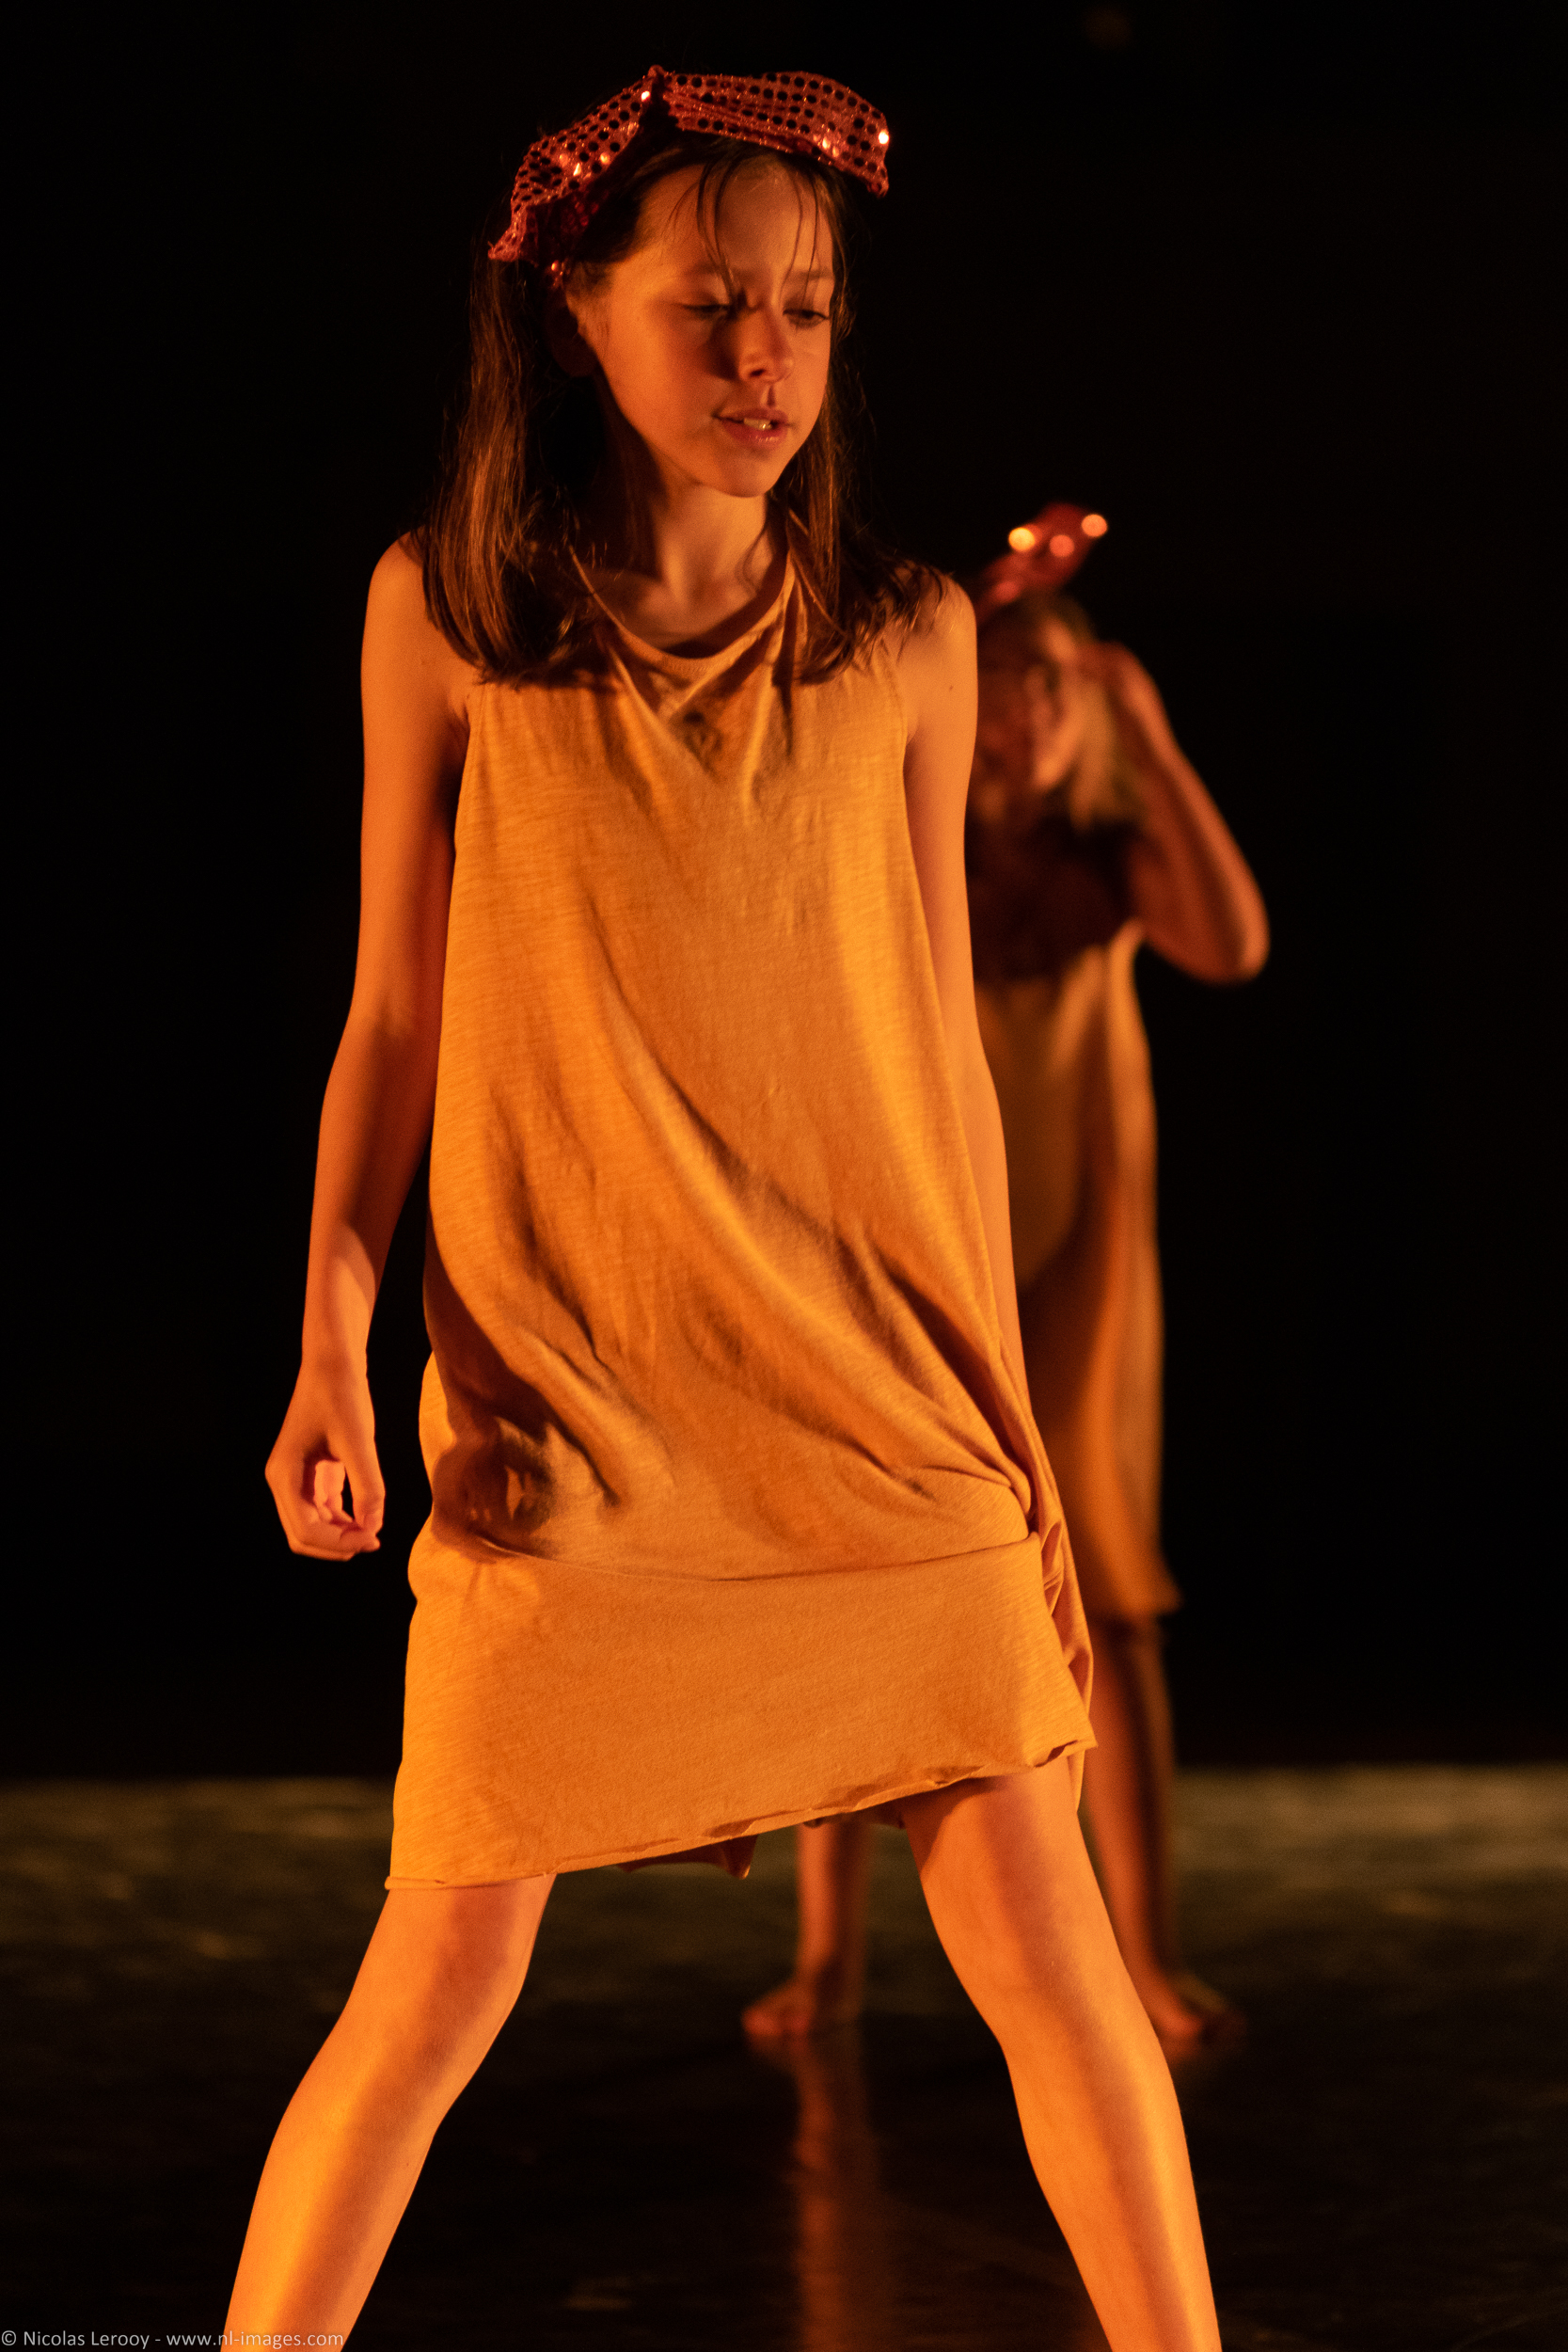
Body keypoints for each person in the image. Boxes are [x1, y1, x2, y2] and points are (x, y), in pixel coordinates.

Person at [230, 69, 1222, 2349]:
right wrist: (328, 1340)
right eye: (711, 307)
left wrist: (1022, 1455)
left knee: (1052, 1960)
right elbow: (391, 1019)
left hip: (885, 1433)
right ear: (577, 309)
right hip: (576, 1439)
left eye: (807, 311)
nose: (766, 359)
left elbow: (941, 1071)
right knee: (435, 1977)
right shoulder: (450, 617)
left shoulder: (905, 634)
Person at [744, 508, 1270, 2051]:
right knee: (874, 1589)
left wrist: (1149, 735)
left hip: (1077, 1265)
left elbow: (1235, 943)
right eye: (1012, 684)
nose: (1032, 715)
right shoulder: (908, 843)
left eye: (1060, 688)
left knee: (1114, 1601)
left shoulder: (1108, 858)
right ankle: (830, 1958)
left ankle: (1146, 1955)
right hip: (920, 1251)